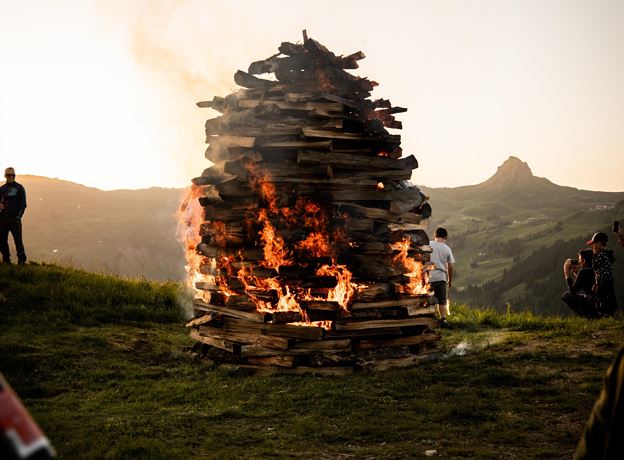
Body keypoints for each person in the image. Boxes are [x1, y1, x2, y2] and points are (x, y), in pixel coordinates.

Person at [429, 226, 455, 328]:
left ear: (435, 235)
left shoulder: (428, 244)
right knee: (442, 300)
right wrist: (449, 280)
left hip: (428, 276)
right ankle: (443, 320)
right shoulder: (447, 248)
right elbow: (451, 266)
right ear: (445, 237)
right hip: (441, 277)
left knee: (429, 300)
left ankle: (430, 319)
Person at [0, 167, 27, 264]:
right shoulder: (1, 189)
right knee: (2, 241)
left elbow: (23, 204)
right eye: (8, 175)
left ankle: (22, 261)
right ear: (5, 176)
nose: (11, 176)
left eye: (13, 175)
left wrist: (18, 217)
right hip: (2, 218)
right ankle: (6, 260)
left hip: (14, 219)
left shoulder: (20, 188)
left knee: (18, 241)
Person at [561, 249, 599, 318]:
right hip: (597, 304)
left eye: (580, 259)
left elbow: (572, 291)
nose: (578, 262)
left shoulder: (583, 272)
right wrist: (577, 274)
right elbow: (586, 286)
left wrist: (566, 273)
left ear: (584, 261)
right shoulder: (594, 269)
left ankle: (585, 316)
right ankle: (589, 315)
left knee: (566, 295)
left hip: (591, 304)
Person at [586, 232, 617, 316]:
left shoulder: (600, 255)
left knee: (602, 299)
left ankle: (604, 315)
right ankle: (609, 314)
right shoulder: (606, 254)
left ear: (599, 244)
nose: (592, 247)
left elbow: (594, 266)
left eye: (593, 244)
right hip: (609, 280)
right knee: (609, 298)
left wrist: (595, 253)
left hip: (603, 281)